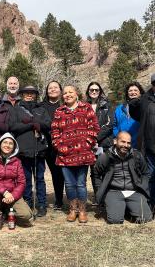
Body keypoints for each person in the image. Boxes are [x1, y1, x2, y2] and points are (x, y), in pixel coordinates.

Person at [51, 85, 99, 223]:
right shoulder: (59, 111)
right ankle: (73, 209)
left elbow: (94, 127)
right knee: (70, 184)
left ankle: (82, 210)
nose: (67, 95)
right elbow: (54, 131)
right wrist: (59, 146)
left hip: (83, 153)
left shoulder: (86, 108)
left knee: (81, 184)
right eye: (65, 93)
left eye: (70, 92)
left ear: (76, 93)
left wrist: (88, 143)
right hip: (65, 155)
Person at [94, 132, 152, 224]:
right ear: (115, 141)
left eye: (128, 143)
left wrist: (143, 187)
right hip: (113, 191)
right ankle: (115, 207)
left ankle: (126, 208)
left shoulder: (136, 155)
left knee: (146, 218)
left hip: (133, 191)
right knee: (115, 220)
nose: (126, 145)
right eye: (123, 142)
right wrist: (100, 190)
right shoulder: (106, 156)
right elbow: (96, 174)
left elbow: (145, 173)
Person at [9, 85, 50, 217]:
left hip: (40, 149)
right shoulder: (16, 109)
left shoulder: (41, 109)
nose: (29, 95)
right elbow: (13, 126)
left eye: (32, 93)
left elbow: (47, 125)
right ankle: (27, 202)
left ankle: (42, 203)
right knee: (25, 179)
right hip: (23, 151)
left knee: (39, 178)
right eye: (26, 93)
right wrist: (30, 125)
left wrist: (36, 122)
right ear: (22, 94)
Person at [0, 133, 33, 230]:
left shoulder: (17, 161)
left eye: (11, 143)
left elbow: (21, 182)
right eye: (5, 142)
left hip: (11, 194)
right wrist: (4, 192)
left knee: (26, 216)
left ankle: (6, 211)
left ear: (14, 147)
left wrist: (13, 196)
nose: (7, 145)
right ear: (0, 144)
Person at [129, 74, 155, 208]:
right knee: (150, 177)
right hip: (150, 146)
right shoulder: (145, 99)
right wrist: (134, 102)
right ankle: (150, 204)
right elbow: (135, 113)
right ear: (152, 84)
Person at [85, 82, 113, 196]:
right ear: (88, 91)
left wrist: (96, 138)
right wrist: (90, 139)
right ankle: (98, 197)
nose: (94, 92)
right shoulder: (83, 106)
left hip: (104, 143)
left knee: (105, 170)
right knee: (94, 171)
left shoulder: (107, 105)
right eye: (92, 90)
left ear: (100, 91)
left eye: (97, 90)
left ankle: (107, 196)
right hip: (89, 144)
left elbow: (109, 124)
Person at [40, 80, 64, 210]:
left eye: (56, 87)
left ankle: (60, 199)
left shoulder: (65, 105)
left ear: (60, 90)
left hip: (62, 145)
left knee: (60, 173)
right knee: (47, 173)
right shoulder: (41, 106)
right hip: (45, 144)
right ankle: (46, 200)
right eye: (50, 88)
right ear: (47, 91)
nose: (53, 89)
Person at [113, 82, 145, 148]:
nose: (133, 92)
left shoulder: (145, 106)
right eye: (130, 90)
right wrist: (119, 137)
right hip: (123, 144)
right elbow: (114, 125)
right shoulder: (119, 108)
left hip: (140, 143)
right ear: (127, 93)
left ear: (140, 93)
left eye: (135, 90)